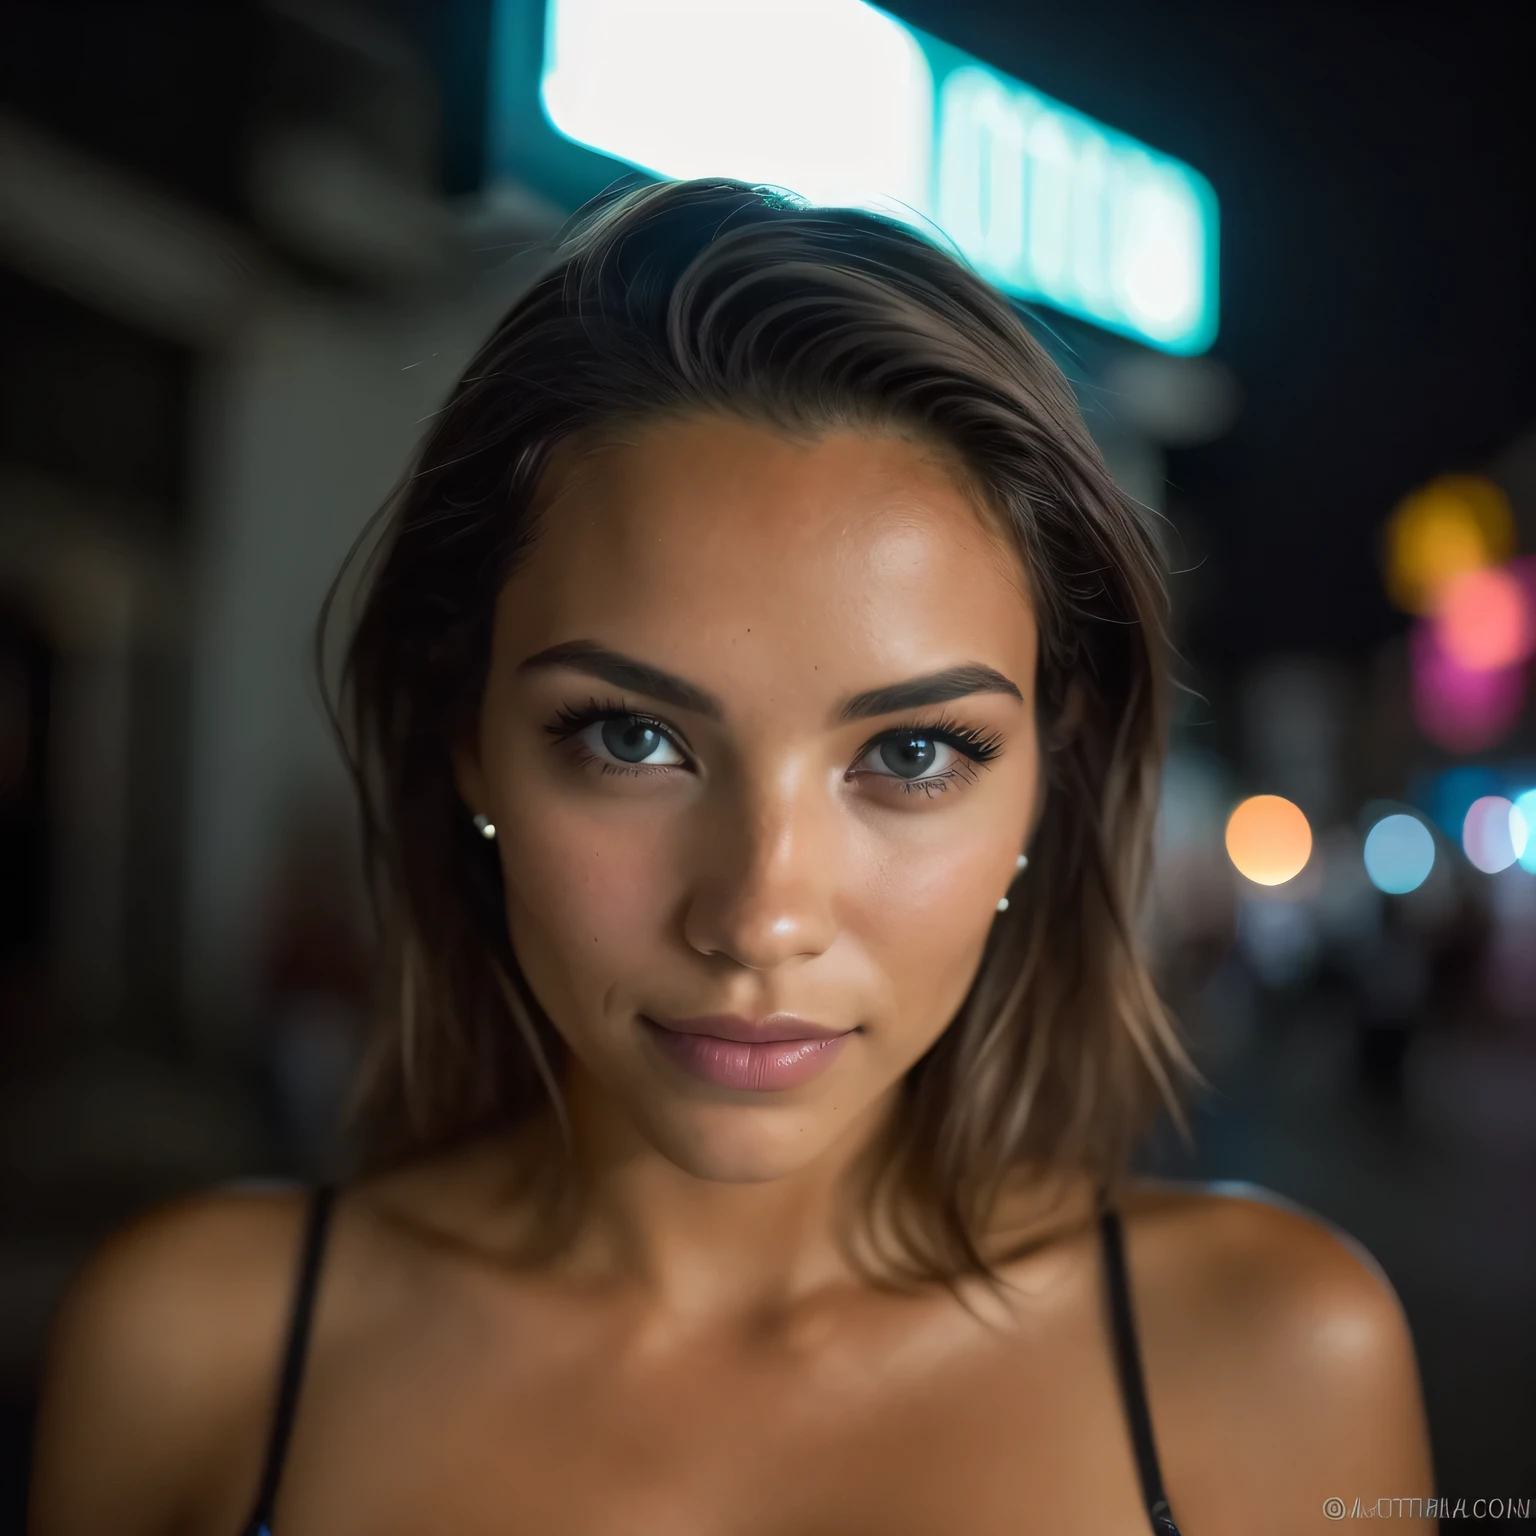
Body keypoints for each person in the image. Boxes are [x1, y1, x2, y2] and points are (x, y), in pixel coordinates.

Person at [29, 179, 1436, 1535]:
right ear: (467, 741)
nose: (761, 915)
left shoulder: (1279, 1361)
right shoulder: (196, 1355)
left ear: (1047, 789)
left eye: (912, 754)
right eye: (632, 740)